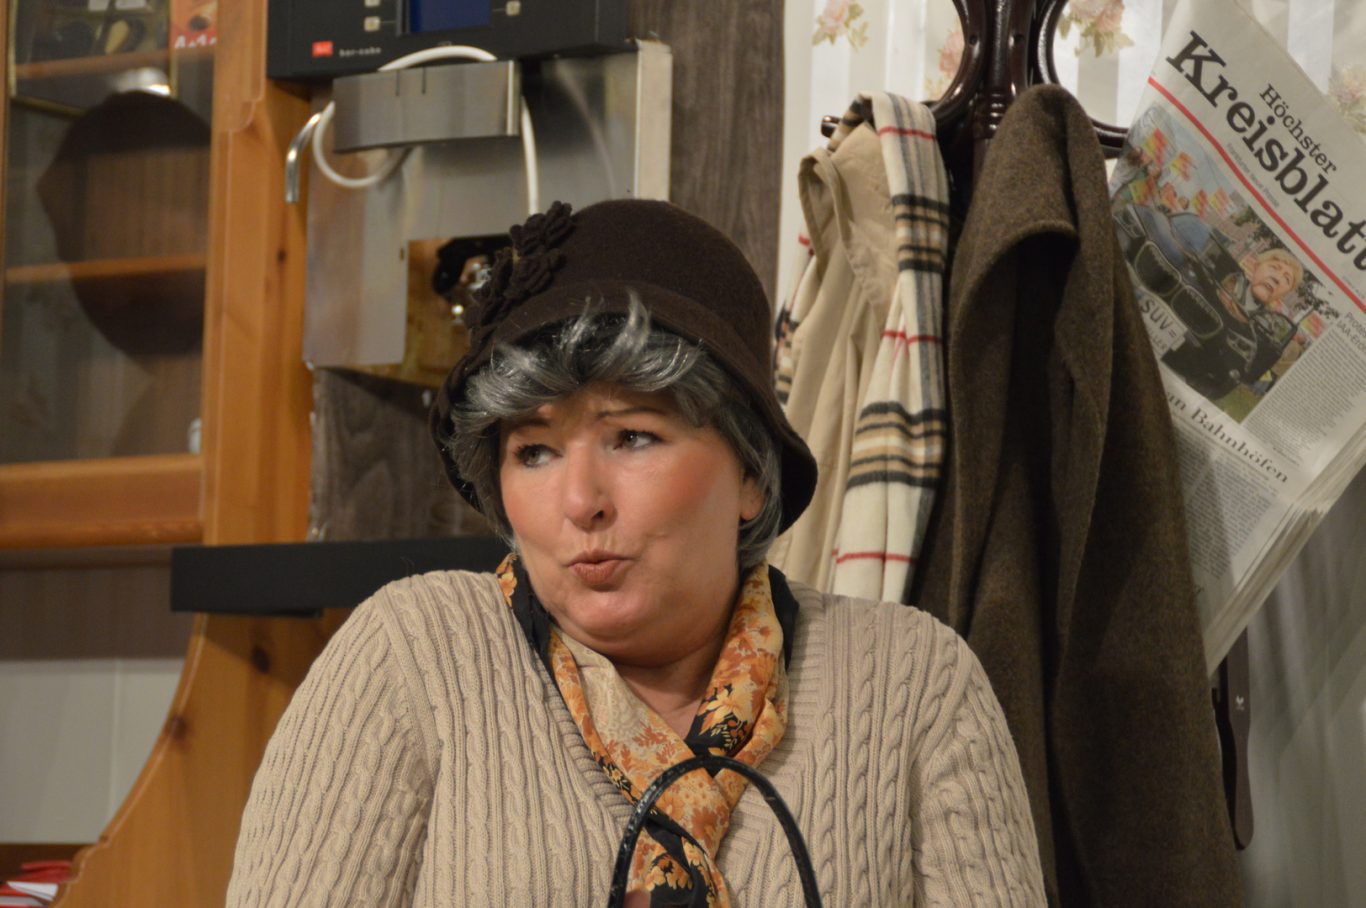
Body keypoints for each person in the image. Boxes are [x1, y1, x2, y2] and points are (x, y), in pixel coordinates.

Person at [226, 199, 1045, 906]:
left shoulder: (912, 684)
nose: (581, 501)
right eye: (535, 451)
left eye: (633, 437)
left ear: (750, 473)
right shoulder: (411, 659)